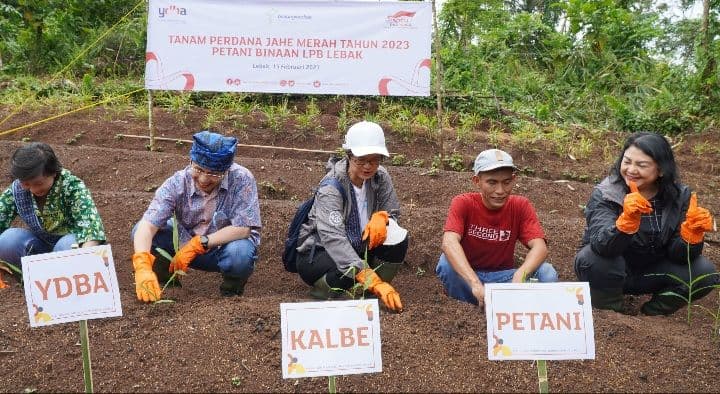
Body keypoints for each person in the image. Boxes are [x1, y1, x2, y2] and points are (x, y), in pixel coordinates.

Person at [574, 132, 716, 315]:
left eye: (641, 165)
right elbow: (602, 246)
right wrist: (626, 223)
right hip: (611, 270)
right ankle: (611, 311)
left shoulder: (679, 197)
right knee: (591, 259)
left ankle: (653, 312)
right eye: (626, 162)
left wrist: (691, 236)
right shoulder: (607, 193)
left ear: (661, 170)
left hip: (652, 271)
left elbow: (680, 257)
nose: (631, 170)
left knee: (704, 273)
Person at [131, 130, 261, 302]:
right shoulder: (177, 183)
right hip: (183, 246)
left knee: (240, 253)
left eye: (214, 174)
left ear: (226, 170)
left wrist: (200, 243)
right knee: (141, 231)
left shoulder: (242, 179)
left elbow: (243, 228)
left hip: (223, 249)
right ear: (191, 161)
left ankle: (231, 295)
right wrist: (142, 265)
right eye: (198, 169)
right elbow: (147, 226)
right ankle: (165, 284)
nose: (204, 179)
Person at [295, 121, 408, 313]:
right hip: (320, 252)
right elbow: (333, 238)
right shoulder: (331, 187)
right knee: (346, 268)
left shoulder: (380, 177)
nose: (368, 166)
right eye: (361, 159)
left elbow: (393, 212)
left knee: (398, 239)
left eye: (374, 160)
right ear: (349, 156)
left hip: (358, 246)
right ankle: (322, 295)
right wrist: (373, 279)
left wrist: (384, 218)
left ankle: (368, 295)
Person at [436, 148, 558, 306]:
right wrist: (475, 284)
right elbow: (449, 242)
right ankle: (469, 308)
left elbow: (540, 247)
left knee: (546, 273)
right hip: (469, 277)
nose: (500, 191)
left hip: (504, 279)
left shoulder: (520, 206)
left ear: (513, 180)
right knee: (446, 264)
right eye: (492, 182)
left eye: (506, 182)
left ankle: (504, 307)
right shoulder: (463, 203)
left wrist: (520, 275)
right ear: (477, 181)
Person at [0, 142, 106, 288]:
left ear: (53, 172)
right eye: (26, 184)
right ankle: (36, 279)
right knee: (8, 240)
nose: (32, 190)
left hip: (70, 246)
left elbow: (90, 227)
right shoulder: (17, 190)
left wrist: (86, 264)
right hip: (39, 246)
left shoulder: (72, 187)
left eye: (38, 183)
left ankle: (64, 281)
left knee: (68, 246)